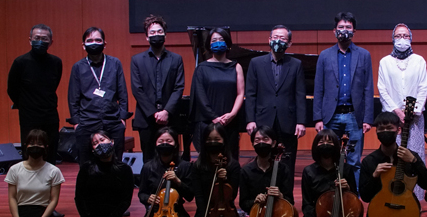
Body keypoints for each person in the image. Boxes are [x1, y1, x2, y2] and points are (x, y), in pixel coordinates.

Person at [314, 12, 374, 184]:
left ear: (354, 30)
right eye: (341, 27)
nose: (344, 30)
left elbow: (368, 88)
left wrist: (368, 118)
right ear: (334, 31)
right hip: (330, 116)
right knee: (329, 158)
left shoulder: (364, 55)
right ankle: (330, 195)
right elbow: (318, 89)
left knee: (354, 161)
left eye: (348, 27)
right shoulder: (325, 55)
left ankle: (353, 198)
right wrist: (318, 118)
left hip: (354, 116)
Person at [245, 25, 306, 176]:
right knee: (264, 162)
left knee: (288, 163)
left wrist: (301, 122)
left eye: (283, 38)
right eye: (275, 37)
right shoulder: (256, 63)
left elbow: (300, 95)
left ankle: (287, 198)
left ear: (289, 43)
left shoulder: (296, 64)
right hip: (263, 120)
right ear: (269, 40)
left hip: (288, 122)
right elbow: (250, 94)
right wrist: (250, 120)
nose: (278, 40)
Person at [68, 27, 129, 163]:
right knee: (86, 164)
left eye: (97, 40)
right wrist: (77, 123)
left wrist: (122, 119)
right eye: (89, 40)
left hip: (113, 120)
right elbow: (73, 97)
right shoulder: (78, 67)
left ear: (104, 44)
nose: (94, 43)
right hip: (86, 121)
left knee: (116, 162)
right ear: (84, 46)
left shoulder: (115, 63)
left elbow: (123, 93)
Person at [131, 15, 186, 163]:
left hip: (170, 118)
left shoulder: (176, 59)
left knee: (172, 158)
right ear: (146, 37)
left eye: (159, 31)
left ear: (165, 35)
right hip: (146, 119)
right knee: (148, 159)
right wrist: (154, 114)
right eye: (152, 32)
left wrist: (166, 112)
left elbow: (178, 87)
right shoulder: (137, 60)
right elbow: (137, 89)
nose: (156, 35)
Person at [7, 24, 63, 166]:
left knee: (50, 152)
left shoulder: (56, 62)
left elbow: (54, 85)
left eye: (44, 39)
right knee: (30, 152)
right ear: (30, 40)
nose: (40, 41)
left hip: (50, 114)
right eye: (37, 38)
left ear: (51, 42)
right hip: (29, 115)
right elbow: (11, 89)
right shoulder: (20, 62)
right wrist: (25, 104)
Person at [189, 27, 244, 161]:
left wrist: (232, 114)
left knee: (230, 160)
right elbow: (200, 96)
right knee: (208, 161)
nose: (218, 42)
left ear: (227, 43)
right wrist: (214, 118)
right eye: (214, 40)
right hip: (208, 122)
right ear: (209, 44)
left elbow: (240, 93)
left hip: (229, 121)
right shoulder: (201, 68)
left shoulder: (236, 67)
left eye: (221, 39)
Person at [377, 23, 427, 164]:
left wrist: (413, 111)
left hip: (415, 118)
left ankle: (417, 187)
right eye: (398, 36)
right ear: (393, 39)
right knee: (394, 155)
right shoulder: (385, 62)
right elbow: (382, 90)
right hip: (393, 119)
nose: (402, 39)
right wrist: (398, 112)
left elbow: (423, 87)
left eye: (405, 36)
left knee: (415, 156)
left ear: (410, 38)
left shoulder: (419, 61)